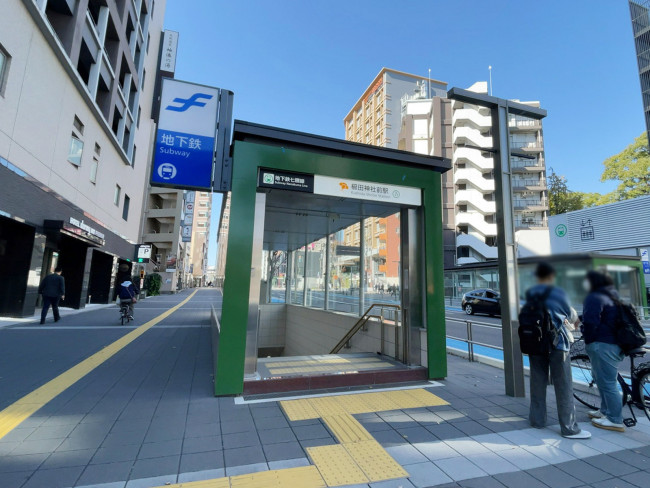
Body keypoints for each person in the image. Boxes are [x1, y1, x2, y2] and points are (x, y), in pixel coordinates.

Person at [527, 262, 591, 439]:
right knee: (563, 385)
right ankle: (569, 428)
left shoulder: (531, 294)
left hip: (536, 344)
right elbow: (572, 317)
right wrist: (571, 324)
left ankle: (537, 420)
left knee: (537, 382)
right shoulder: (558, 293)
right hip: (558, 344)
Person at [581, 271, 625, 432]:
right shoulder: (613, 294)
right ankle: (605, 411)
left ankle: (615, 419)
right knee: (602, 379)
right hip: (616, 343)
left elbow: (591, 321)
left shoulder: (594, 296)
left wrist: (588, 339)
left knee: (607, 382)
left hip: (603, 343)